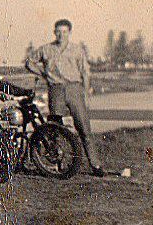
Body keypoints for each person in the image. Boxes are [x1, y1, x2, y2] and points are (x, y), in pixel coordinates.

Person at [26, 19, 105, 176]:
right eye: (58, 31)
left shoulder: (77, 50)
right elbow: (29, 62)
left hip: (74, 89)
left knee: (83, 127)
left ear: (69, 33)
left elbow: (85, 72)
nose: (61, 35)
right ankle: (58, 164)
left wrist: (86, 92)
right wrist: (43, 74)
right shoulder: (46, 49)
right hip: (56, 90)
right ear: (54, 32)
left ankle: (95, 165)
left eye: (64, 32)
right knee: (55, 129)